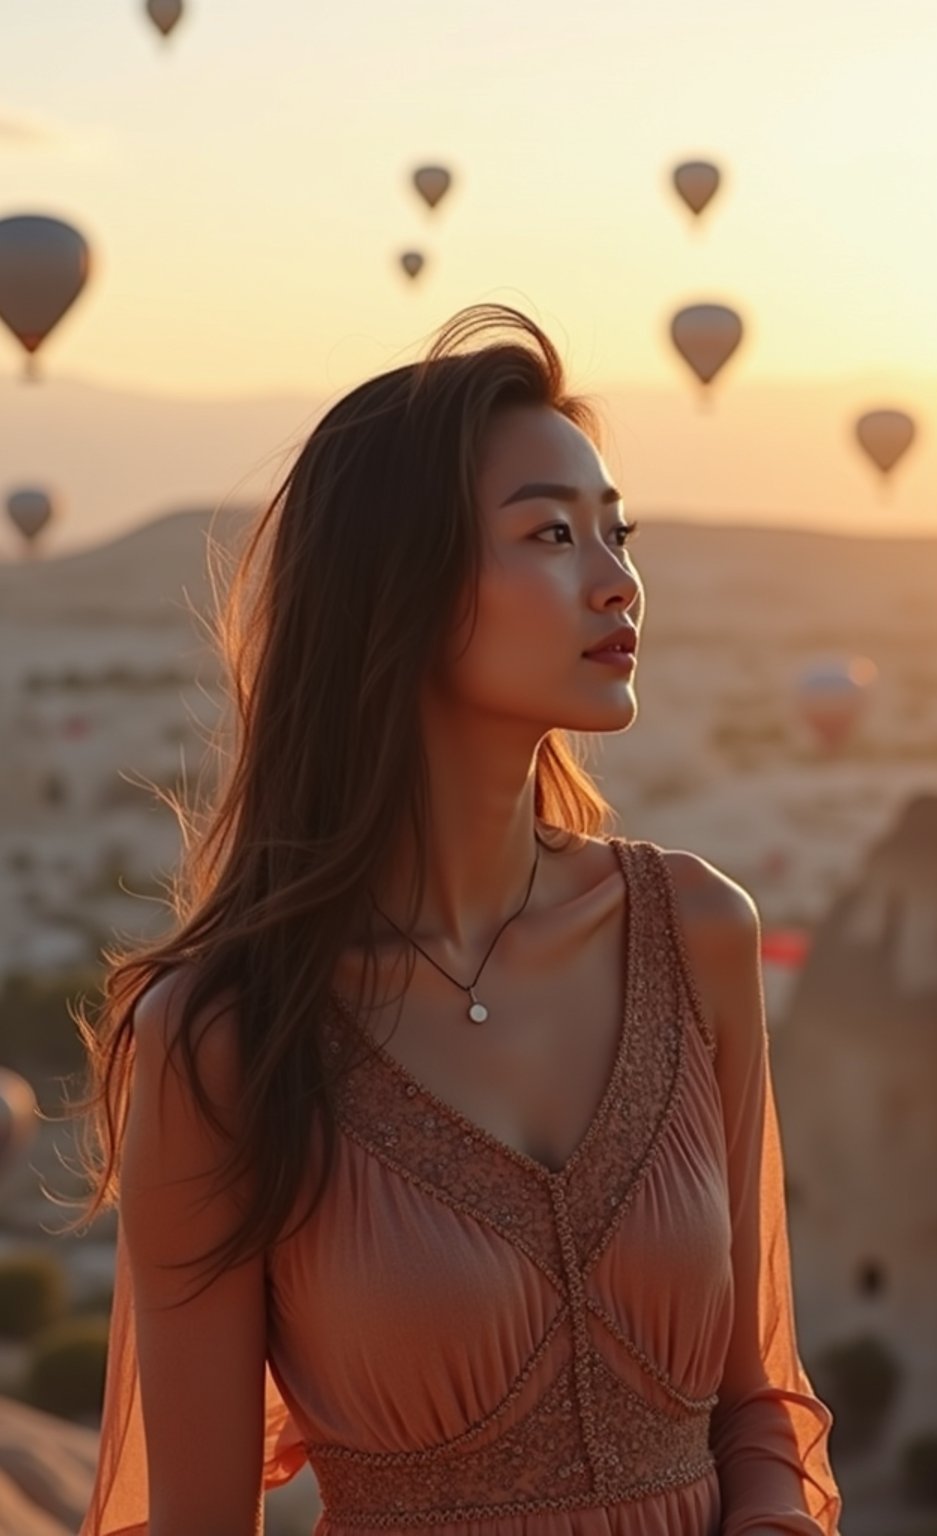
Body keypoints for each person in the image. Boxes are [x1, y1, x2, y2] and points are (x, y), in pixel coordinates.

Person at [60, 303, 842, 1534]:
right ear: (399, 588)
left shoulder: (697, 933)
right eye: (549, 534)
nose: (615, 579)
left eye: (614, 532)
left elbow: (759, 1403)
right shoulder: (227, 1033)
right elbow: (197, 1516)